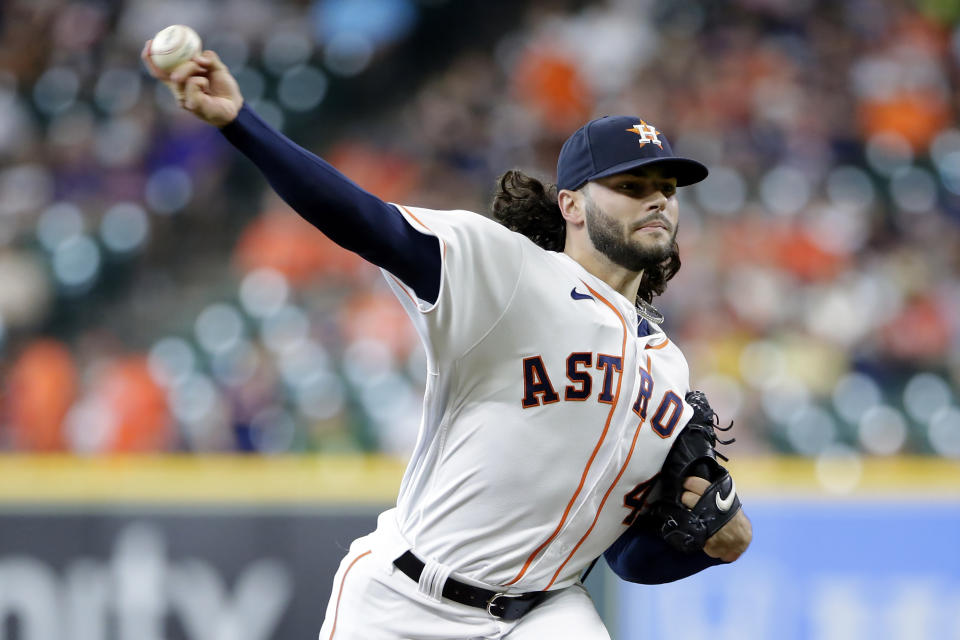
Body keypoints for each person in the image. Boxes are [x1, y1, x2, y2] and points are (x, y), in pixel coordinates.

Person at [142, 44, 752, 640]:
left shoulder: (668, 369)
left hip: (543, 615)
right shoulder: (510, 273)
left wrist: (709, 543)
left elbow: (627, 560)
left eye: (667, 188)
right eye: (631, 185)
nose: (657, 199)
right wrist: (241, 124)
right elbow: (364, 220)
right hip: (402, 601)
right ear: (570, 204)